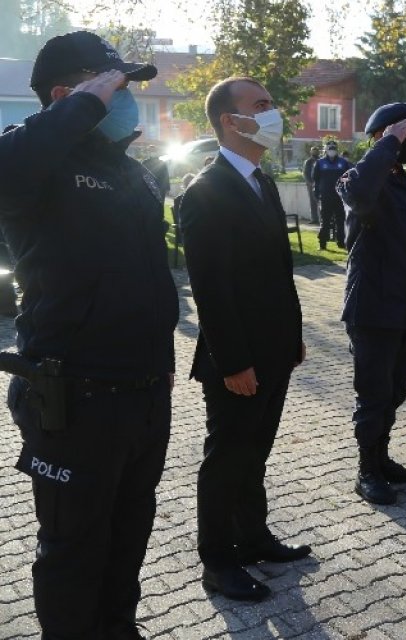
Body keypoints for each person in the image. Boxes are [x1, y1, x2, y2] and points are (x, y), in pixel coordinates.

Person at [0, 31, 179, 638]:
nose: (127, 98)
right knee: (73, 552)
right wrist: (81, 105)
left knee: (128, 540)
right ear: (63, 94)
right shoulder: (32, 165)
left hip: (146, 391)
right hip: (74, 399)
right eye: (116, 85)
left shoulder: (132, 174)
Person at [182, 76, 310, 603]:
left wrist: (293, 335)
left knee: (255, 452)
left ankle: (253, 537)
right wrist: (233, 362)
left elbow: (280, 270)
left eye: (271, 101)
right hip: (236, 360)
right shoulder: (206, 191)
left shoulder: (262, 181)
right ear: (230, 122)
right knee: (227, 457)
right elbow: (210, 289)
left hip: (274, 349)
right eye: (261, 105)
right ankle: (218, 559)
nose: (273, 112)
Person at [336, 103, 406, 505]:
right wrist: (389, 140)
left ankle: (383, 457)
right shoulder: (358, 183)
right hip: (371, 309)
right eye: (401, 135)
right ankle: (366, 470)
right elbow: (358, 192)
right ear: (379, 140)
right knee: (372, 395)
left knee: (394, 392)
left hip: (404, 308)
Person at [313, 141, 353, 250]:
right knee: (325, 220)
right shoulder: (320, 163)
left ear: (336, 150)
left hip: (339, 197)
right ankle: (322, 243)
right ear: (326, 150)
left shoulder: (343, 163)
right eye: (329, 148)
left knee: (340, 220)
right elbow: (316, 179)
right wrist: (316, 193)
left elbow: (347, 177)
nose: (331, 150)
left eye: (333, 148)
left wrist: (344, 189)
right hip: (326, 197)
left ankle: (341, 242)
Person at [302, 145, 320, 224]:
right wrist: (310, 183)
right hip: (311, 185)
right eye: (313, 150)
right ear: (311, 152)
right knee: (312, 202)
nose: (314, 152)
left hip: (320, 185)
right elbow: (305, 173)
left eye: (316, 150)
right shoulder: (308, 161)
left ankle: (322, 219)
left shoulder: (321, 160)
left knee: (320, 202)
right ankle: (314, 219)